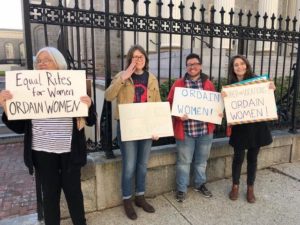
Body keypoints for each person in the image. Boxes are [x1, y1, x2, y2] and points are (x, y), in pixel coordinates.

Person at [0, 47, 97, 225]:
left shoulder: (74, 84)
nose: (41, 64)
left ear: (58, 63)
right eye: (39, 61)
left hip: (69, 151)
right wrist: (7, 108)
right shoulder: (28, 89)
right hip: (42, 151)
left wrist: (89, 105)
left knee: (74, 193)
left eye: (47, 60)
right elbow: (20, 127)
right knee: (50, 196)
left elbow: (91, 121)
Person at [105, 45, 161, 220]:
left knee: (142, 165)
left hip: (146, 126)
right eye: (134, 57)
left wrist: (157, 127)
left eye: (141, 56)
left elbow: (158, 103)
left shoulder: (152, 78)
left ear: (145, 58)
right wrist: (124, 77)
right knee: (129, 165)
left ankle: (140, 196)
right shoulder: (122, 76)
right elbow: (108, 96)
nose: (138, 59)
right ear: (130, 60)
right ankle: (127, 200)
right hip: (128, 126)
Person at [224, 54, 275, 203]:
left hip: (256, 126)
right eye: (236, 65)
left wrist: (272, 88)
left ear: (246, 65)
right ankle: (235, 186)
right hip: (240, 128)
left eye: (242, 64)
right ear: (232, 69)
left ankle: (250, 188)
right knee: (238, 158)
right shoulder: (231, 85)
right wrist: (224, 97)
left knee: (253, 158)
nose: (239, 67)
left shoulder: (258, 80)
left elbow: (268, 99)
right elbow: (228, 108)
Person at [167, 53, 217, 202]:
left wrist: (218, 112)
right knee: (184, 161)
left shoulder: (208, 84)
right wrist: (177, 115)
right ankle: (181, 189)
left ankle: (199, 184)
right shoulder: (178, 84)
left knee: (202, 160)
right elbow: (169, 104)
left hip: (204, 131)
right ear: (186, 67)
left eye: (195, 64)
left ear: (200, 66)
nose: (192, 67)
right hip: (186, 131)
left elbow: (215, 105)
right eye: (189, 64)